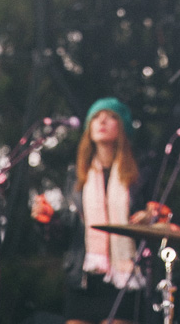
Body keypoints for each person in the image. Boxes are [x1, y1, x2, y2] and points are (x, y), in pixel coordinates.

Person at [32, 97, 155, 324]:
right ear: (88, 128)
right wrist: (48, 220)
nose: (102, 121)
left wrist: (150, 216)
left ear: (123, 127)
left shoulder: (142, 173)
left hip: (125, 280)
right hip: (84, 279)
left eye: (110, 117)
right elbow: (68, 234)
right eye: (96, 117)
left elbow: (155, 218)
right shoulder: (77, 176)